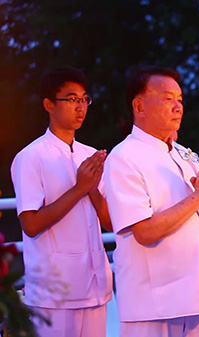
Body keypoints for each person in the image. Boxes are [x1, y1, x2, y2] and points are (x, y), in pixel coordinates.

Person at [104, 67, 199, 336]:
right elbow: (145, 231)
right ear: (139, 106)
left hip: (195, 297)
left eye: (180, 99)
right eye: (167, 98)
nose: (177, 106)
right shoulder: (124, 157)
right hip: (153, 304)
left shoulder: (184, 154)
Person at [10, 67, 113, 336]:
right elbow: (30, 224)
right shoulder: (31, 157)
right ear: (49, 105)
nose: (80, 107)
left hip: (95, 284)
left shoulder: (90, 155)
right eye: (71, 99)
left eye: (84, 99)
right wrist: (80, 188)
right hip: (54, 291)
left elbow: (108, 221)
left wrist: (91, 189)